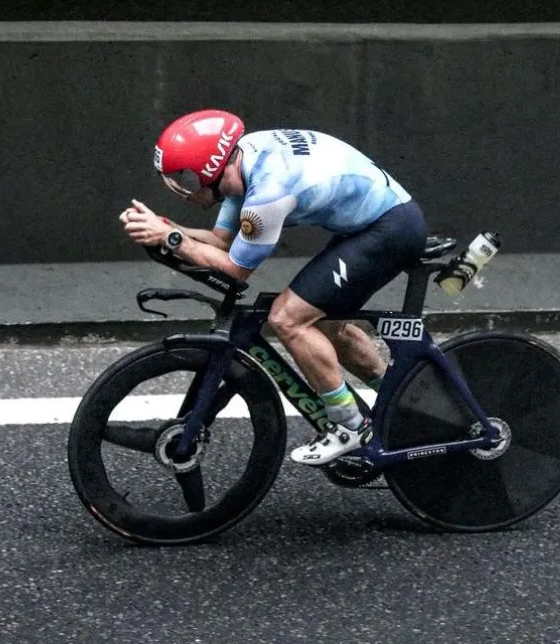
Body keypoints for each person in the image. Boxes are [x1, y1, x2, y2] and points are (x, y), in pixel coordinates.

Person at [120, 109, 428, 466]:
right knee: (326, 326)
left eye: (186, 179)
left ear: (210, 170)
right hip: (378, 223)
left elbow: (236, 270)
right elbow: (221, 242)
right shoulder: (243, 157)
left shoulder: (268, 193)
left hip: (388, 231)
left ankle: (349, 426)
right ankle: (404, 404)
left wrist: (171, 239)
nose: (184, 191)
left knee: (288, 319)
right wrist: (166, 228)